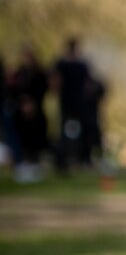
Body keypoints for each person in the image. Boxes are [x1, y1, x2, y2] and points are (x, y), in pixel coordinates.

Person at [51, 37, 94, 173]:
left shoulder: (82, 65)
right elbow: (56, 81)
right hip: (67, 101)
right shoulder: (62, 64)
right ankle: (62, 159)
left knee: (85, 129)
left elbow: (88, 84)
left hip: (79, 101)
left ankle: (84, 158)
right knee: (64, 131)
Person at [8, 44, 50, 183]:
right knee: (22, 136)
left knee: (36, 137)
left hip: (37, 110)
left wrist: (33, 104)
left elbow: (43, 88)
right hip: (22, 111)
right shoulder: (20, 72)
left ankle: (35, 163)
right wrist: (23, 103)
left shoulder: (39, 73)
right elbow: (14, 89)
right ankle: (24, 164)